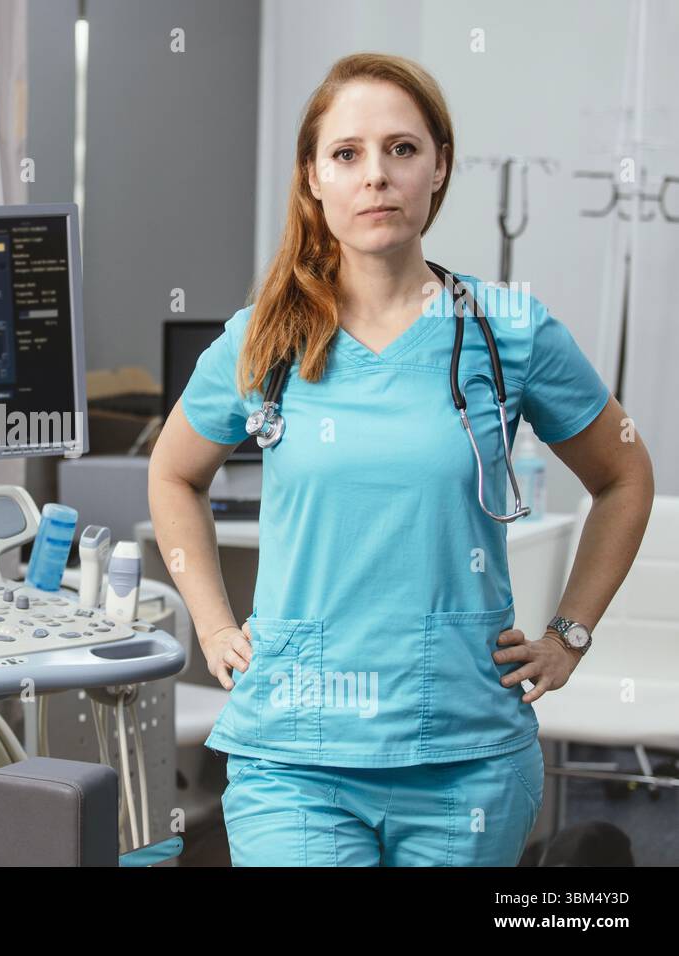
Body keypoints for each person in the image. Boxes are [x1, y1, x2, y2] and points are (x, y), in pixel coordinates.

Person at [147, 52, 655, 866]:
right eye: (346, 154)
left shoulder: (510, 330)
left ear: (439, 166)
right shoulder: (261, 340)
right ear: (313, 177)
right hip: (295, 752)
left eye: (402, 149)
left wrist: (569, 634)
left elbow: (625, 475)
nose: (375, 175)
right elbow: (173, 474)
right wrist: (212, 623)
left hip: (466, 755)